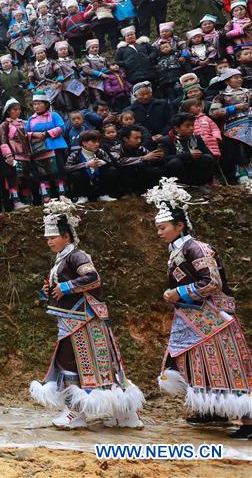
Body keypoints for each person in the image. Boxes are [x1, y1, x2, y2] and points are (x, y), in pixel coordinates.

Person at [145, 178, 251, 439]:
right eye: (157, 228)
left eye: (163, 227)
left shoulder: (197, 248)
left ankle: (249, 422)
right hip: (192, 316)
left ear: (179, 226)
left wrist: (178, 292)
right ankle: (211, 409)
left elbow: (211, 282)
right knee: (196, 365)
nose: (159, 232)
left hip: (214, 317)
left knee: (228, 365)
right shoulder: (177, 250)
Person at [29, 198, 144, 430]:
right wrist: (49, 290)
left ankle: (77, 413)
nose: (49, 241)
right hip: (74, 321)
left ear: (66, 237)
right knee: (98, 365)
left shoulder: (77, 256)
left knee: (75, 364)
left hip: (85, 319)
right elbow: (62, 287)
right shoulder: (62, 259)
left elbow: (92, 278)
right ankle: (124, 414)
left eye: (52, 237)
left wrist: (65, 287)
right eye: (47, 238)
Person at [161, 113, 216, 187]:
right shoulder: (166, 140)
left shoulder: (196, 138)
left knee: (207, 158)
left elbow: (209, 154)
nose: (191, 128)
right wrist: (188, 155)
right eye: (187, 126)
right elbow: (163, 159)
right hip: (177, 173)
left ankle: (201, 184)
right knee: (175, 163)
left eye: (192, 125)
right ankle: (179, 186)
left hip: (195, 171)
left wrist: (199, 155)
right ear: (176, 128)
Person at [64, 131, 118, 203]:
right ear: (84, 143)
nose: (97, 144)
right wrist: (86, 165)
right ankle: (82, 197)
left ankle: (103, 195)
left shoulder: (100, 152)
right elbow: (67, 168)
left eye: (98, 142)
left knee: (112, 170)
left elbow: (113, 163)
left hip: (99, 183)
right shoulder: (75, 154)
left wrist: (104, 162)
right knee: (75, 174)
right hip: (85, 184)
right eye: (94, 142)